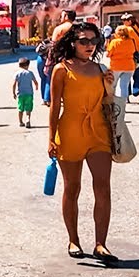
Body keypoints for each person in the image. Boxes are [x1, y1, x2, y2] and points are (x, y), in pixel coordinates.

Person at [47, 21, 118, 264]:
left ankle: (101, 244)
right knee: (72, 188)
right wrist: (51, 138)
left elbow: (109, 100)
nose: (89, 45)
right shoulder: (61, 69)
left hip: (99, 131)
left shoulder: (100, 69)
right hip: (70, 132)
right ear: (72, 43)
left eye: (93, 40)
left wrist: (109, 85)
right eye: (83, 41)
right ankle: (73, 239)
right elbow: (55, 105)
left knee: (103, 187)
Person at [105, 20, 139, 103]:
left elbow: (108, 54)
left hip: (116, 66)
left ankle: (112, 102)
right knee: (124, 85)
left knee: (112, 85)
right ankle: (123, 103)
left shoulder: (114, 42)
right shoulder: (131, 41)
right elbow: (134, 51)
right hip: (129, 67)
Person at [12, 57, 36, 128]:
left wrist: (13, 93)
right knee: (28, 108)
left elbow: (14, 84)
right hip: (29, 94)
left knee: (20, 109)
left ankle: (21, 122)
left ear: (19, 65)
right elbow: (35, 81)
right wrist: (36, 86)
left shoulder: (17, 74)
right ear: (28, 65)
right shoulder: (30, 73)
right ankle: (28, 120)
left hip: (20, 94)